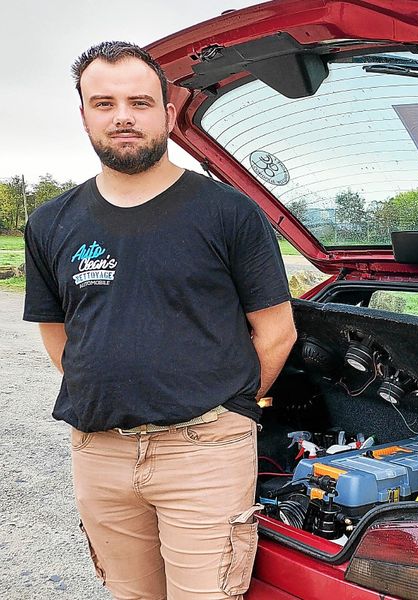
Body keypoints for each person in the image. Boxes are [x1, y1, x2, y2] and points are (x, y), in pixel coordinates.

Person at [22, 41, 298, 599]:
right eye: (104, 103)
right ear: (84, 116)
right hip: (100, 452)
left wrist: (229, 412)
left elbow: (277, 332)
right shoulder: (50, 223)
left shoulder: (228, 212)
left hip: (204, 453)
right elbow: (59, 335)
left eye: (139, 102)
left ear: (169, 115)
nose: (122, 116)